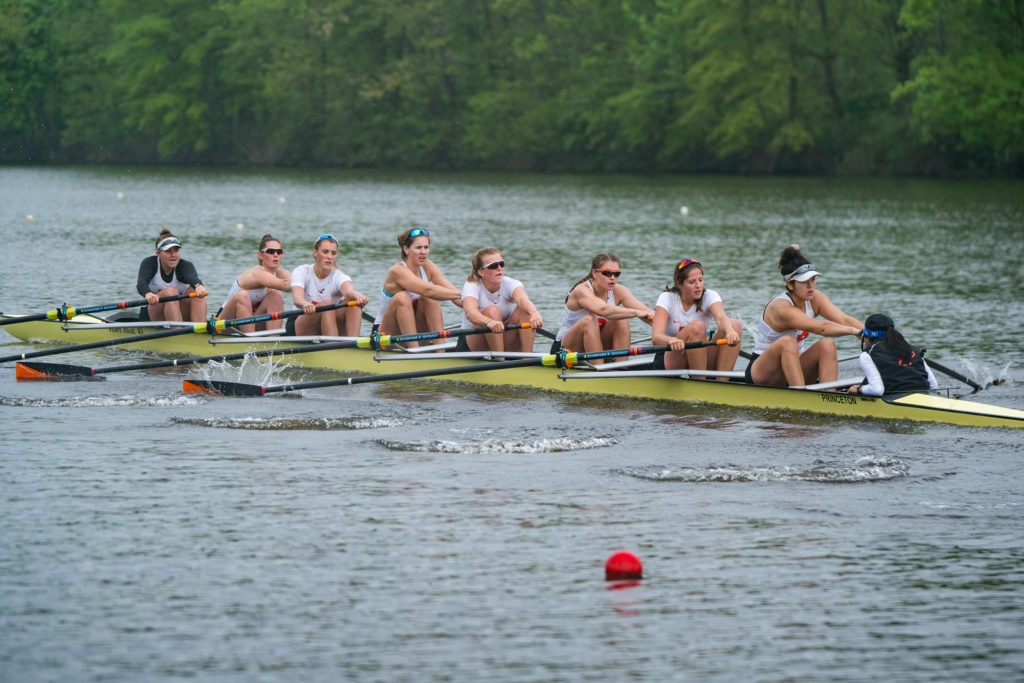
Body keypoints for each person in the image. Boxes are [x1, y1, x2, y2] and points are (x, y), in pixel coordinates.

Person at [746, 245, 863, 387]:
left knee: (827, 345)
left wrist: (875, 333)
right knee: (788, 342)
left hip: (792, 367)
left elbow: (844, 319)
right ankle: (800, 396)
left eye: (813, 279)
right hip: (763, 373)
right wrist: (854, 331)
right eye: (804, 281)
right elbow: (822, 328)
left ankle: (829, 397)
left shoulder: (815, 298)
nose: (811, 286)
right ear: (790, 284)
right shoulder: (781, 308)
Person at [550, 252, 654, 363]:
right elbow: (603, 310)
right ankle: (599, 370)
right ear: (595, 273)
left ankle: (621, 368)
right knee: (589, 320)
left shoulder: (619, 291)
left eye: (617, 274)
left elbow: (647, 312)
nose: (613, 278)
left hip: (595, 346)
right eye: (607, 273)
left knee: (622, 319)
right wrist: (637, 313)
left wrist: (663, 327)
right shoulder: (581, 290)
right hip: (566, 350)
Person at [651, 258, 742, 378]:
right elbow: (656, 338)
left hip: (699, 356)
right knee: (697, 327)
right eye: (692, 282)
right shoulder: (667, 298)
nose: (698, 286)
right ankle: (700, 383)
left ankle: (722, 384)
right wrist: (670, 340)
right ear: (679, 283)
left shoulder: (710, 296)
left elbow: (721, 318)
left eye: (700, 280)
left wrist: (730, 332)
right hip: (672, 357)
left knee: (735, 324)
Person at [373, 227, 462, 347]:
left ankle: (440, 351)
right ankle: (414, 352)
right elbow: (429, 290)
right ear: (406, 249)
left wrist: (478, 304)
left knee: (430, 300)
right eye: (418, 248)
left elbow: (454, 296)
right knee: (402, 297)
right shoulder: (397, 271)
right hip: (386, 337)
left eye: (426, 247)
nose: (423, 252)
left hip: (413, 332)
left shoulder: (428, 266)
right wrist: (464, 294)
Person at [458, 247, 543, 354]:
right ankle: (499, 360)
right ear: (481, 272)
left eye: (501, 264)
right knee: (492, 311)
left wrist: (534, 313)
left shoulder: (511, 283)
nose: (499, 268)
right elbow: (470, 312)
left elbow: (522, 300)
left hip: (502, 339)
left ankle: (526, 358)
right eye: (493, 266)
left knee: (525, 311)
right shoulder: (472, 285)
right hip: (472, 343)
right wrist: (489, 322)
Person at [288, 234, 369, 337]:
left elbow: (348, 291)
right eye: (325, 252)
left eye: (333, 253)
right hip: (299, 322)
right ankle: (333, 345)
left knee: (353, 303)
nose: (329, 257)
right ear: (315, 252)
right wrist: (305, 304)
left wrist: (358, 296)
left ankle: (353, 343)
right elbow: (297, 298)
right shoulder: (302, 271)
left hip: (327, 322)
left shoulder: (339, 276)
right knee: (327, 305)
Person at [848, 314, 938, 396]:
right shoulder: (913, 349)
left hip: (896, 402)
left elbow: (877, 390)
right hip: (924, 396)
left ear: (866, 337)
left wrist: (859, 389)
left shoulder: (867, 355)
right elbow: (933, 386)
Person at [218, 234, 291, 333]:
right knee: (243, 296)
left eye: (279, 251)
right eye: (270, 251)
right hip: (226, 323)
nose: (276, 255)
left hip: (252, 322)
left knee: (276, 296)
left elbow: (297, 282)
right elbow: (285, 285)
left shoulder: (280, 273)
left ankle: (273, 341)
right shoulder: (257, 273)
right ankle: (250, 343)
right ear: (260, 255)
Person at [135, 229, 209, 322]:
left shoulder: (185, 266)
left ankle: (199, 330)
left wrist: (199, 287)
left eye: (176, 250)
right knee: (171, 291)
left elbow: (193, 279)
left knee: (195, 292)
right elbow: (141, 284)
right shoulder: (150, 263)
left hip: (179, 314)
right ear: (158, 254)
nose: (173, 255)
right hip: (151, 315)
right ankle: (177, 331)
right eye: (168, 251)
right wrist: (148, 293)